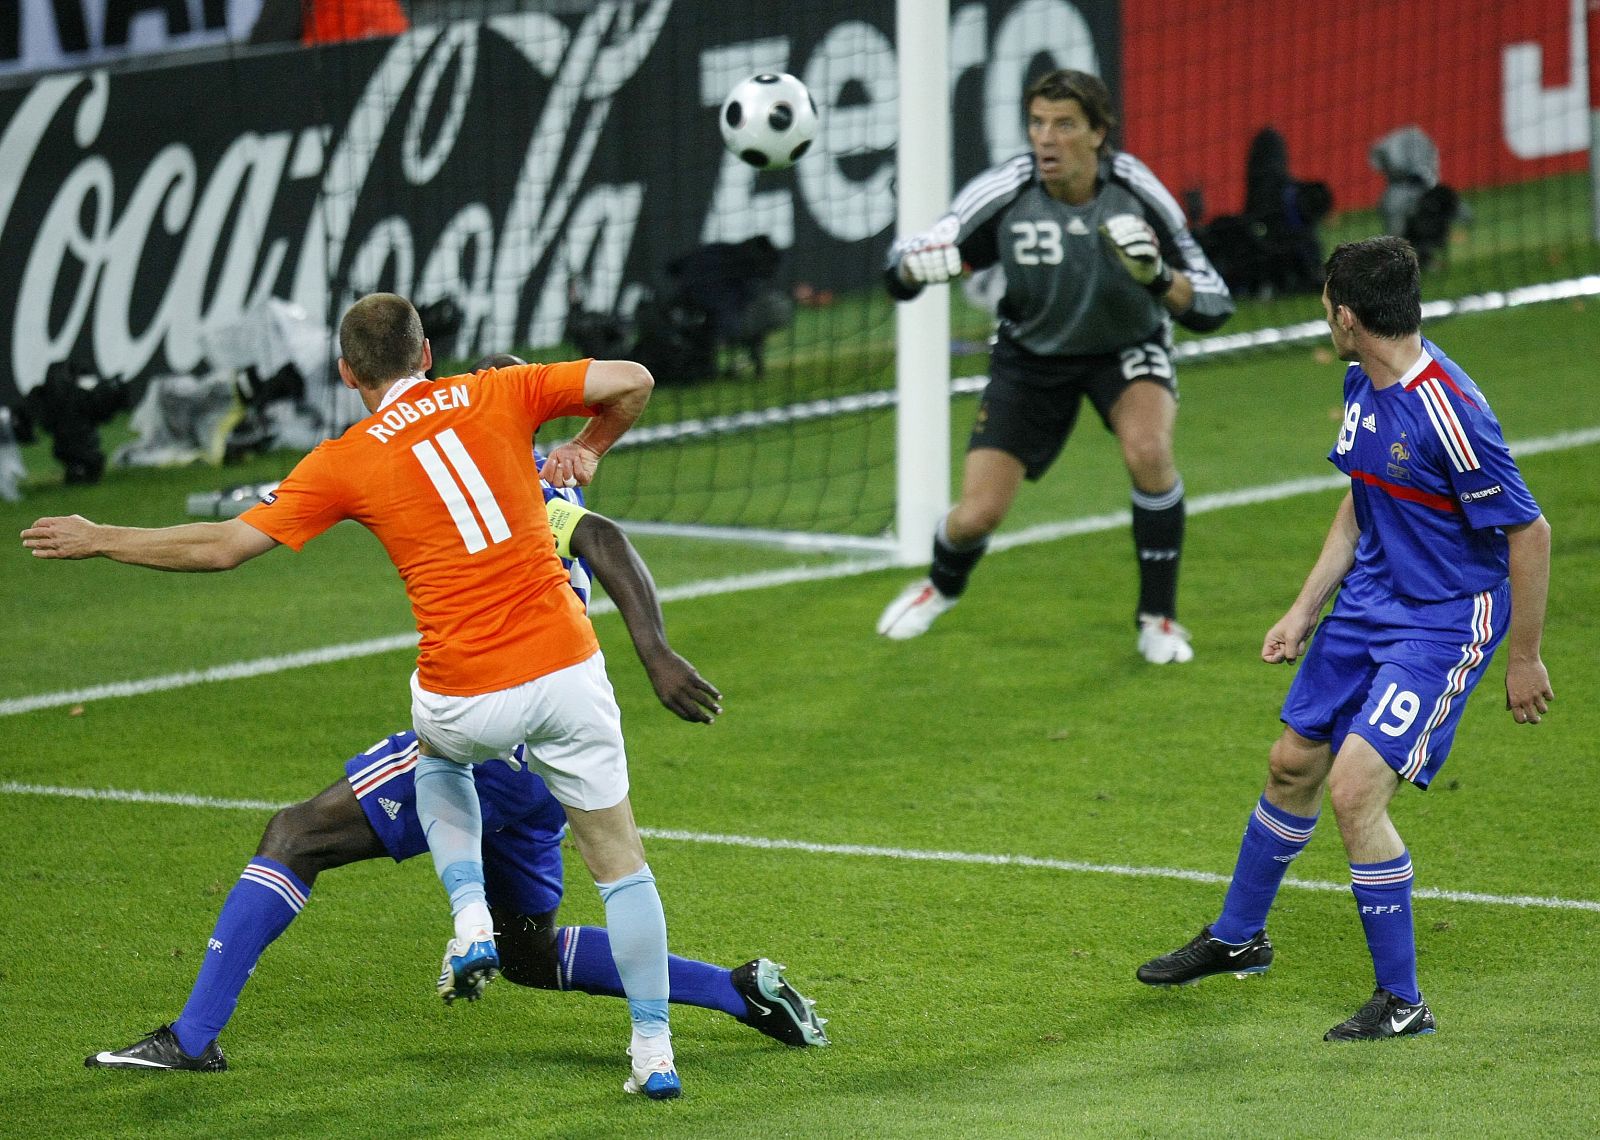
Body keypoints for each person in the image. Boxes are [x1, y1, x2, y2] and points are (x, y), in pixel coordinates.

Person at [24, 297, 687, 1098]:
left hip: (467, 690)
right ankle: (653, 1052)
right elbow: (635, 380)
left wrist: (101, 536)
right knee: (621, 869)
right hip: (569, 671)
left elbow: (226, 545)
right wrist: (588, 444)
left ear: (347, 374)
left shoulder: (344, 458)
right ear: (429, 351)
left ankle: (469, 915)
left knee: (438, 758)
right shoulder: (500, 393)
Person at [85, 472, 829, 1071]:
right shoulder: (518, 472)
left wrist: (657, 650)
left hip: (494, 739)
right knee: (529, 953)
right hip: (554, 753)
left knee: (295, 836)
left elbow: (596, 533)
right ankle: (737, 992)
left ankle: (190, 1038)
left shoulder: (515, 481)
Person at [1134, 237, 1553, 1039]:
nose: (1325, 317)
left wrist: (1524, 656)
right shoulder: (1363, 383)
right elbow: (1362, 503)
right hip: (1365, 606)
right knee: (1291, 763)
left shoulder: (1451, 413)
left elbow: (1528, 533)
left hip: (1440, 621)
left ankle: (1403, 1002)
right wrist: (1302, 609)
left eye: (1327, 305)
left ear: (1348, 316)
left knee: (1355, 789)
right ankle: (1237, 940)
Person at [875, 68, 1234, 662]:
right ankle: (938, 587)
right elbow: (905, 266)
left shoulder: (1136, 191)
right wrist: (916, 268)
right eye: (1037, 123)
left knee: (1148, 451)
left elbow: (1215, 301)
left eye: (1064, 125)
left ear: (1098, 134)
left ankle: (1159, 620)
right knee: (976, 515)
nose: (1046, 138)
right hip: (1031, 357)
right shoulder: (1006, 192)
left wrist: (1159, 277)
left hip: (1126, 347)